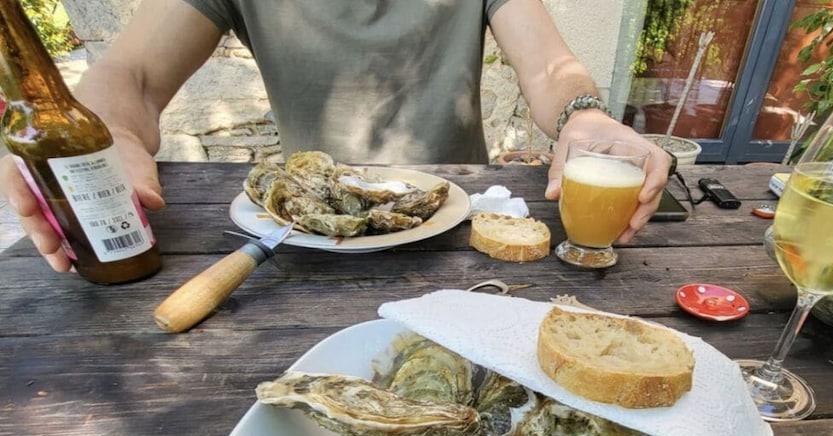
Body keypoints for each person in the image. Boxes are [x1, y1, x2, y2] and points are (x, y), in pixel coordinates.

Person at [1, 0, 672, 273]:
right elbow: (131, 76)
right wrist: (108, 135)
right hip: (309, 251)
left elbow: (550, 70)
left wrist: (586, 116)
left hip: (457, 242)